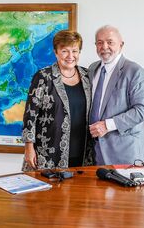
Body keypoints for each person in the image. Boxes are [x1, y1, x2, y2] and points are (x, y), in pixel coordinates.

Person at [22, 30, 95, 171]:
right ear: (56, 52)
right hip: (48, 152)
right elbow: (30, 115)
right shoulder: (43, 77)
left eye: (75, 51)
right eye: (65, 51)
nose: (70, 56)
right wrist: (28, 147)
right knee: (47, 192)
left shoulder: (88, 76)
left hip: (83, 151)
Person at [88, 25, 144, 165]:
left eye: (110, 42)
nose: (104, 46)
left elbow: (142, 110)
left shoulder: (134, 71)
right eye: (99, 42)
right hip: (95, 153)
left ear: (121, 45)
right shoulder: (92, 69)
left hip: (125, 154)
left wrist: (107, 125)